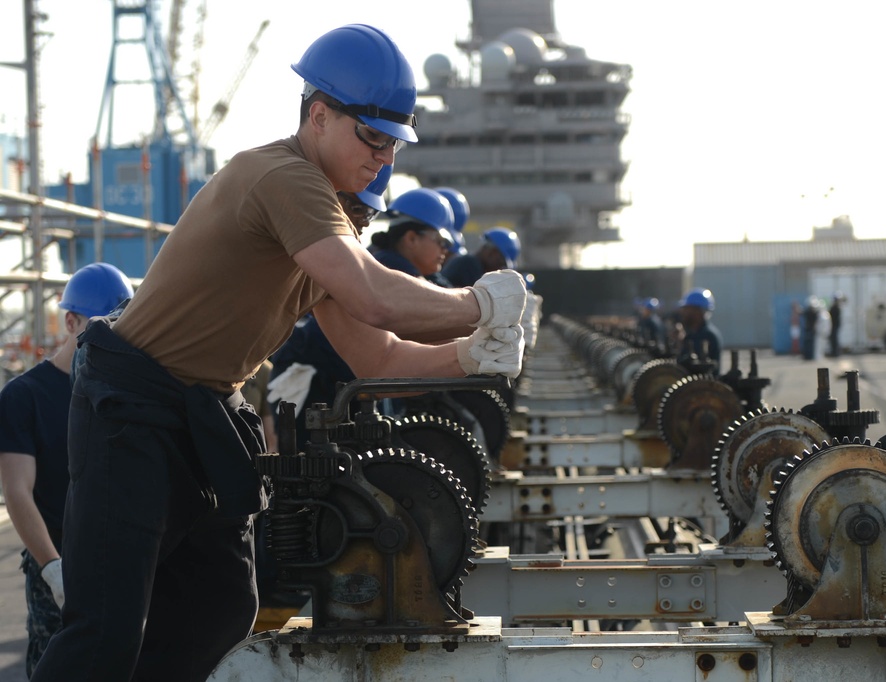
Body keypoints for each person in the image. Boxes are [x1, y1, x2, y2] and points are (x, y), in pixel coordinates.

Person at [31, 24, 526, 682]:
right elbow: (375, 296)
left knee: (216, 610)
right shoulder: (282, 175)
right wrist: (480, 307)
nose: (384, 158)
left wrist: (474, 357)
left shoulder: (325, 231)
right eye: (372, 137)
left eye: (393, 144)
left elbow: (376, 356)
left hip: (200, 411)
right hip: (131, 408)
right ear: (318, 115)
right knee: (104, 628)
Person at [0, 262, 133, 678]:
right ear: (71, 321)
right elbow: (18, 492)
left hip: (122, 561)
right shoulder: (24, 398)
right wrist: (53, 569)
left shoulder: (123, 393)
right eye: (101, 325)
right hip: (55, 565)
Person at [370, 187, 455, 279]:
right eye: (440, 240)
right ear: (411, 239)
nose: (445, 249)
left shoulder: (423, 273)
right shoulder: (392, 267)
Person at [441, 226, 521, 287]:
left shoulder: (469, 262)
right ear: (492, 253)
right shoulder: (470, 264)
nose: (499, 269)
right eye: (501, 263)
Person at [676, 288, 722, 373]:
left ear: (698, 311)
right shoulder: (690, 334)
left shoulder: (709, 335)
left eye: (686, 309)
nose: (683, 313)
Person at [828, 293, 845, 357]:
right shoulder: (835, 307)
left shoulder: (836, 308)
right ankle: (834, 352)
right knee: (833, 339)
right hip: (833, 325)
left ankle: (835, 353)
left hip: (835, 325)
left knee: (834, 339)